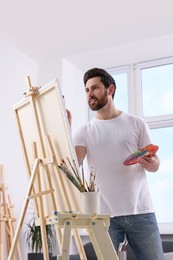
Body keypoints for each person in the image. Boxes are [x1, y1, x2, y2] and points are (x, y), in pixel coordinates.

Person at [72, 68, 164, 259]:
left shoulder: (136, 123)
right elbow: (73, 164)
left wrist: (151, 163)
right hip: (104, 216)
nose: (90, 94)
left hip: (141, 211)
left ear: (110, 89)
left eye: (95, 88)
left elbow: (155, 164)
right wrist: (66, 127)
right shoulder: (84, 131)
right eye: (87, 90)